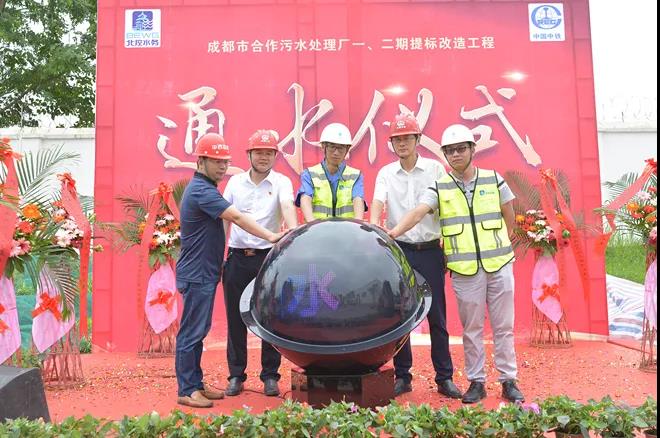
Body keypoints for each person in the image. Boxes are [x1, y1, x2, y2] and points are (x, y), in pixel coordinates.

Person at [388, 124, 525, 404]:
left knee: (503, 327)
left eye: (461, 148)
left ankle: (508, 381)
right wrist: (392, 233)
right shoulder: (440, 186)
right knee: (472, 330)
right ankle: (477, 382)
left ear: (473, 150)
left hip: (499, 265)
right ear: (445, 155)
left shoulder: (493, 179)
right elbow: (418, 213)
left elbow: (509, 214)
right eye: (450, 151)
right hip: (465, 271)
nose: (456, 154)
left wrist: (503, 245)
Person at [175, 133, 284, 408]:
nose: (222, 167)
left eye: (225, 161)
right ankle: (187, 389)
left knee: (199, 330)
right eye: (216, 161)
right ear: (200, 161)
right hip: (197, 272)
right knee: (191, 332)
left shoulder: (208, 188)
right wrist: (270, 236)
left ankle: (196, 383)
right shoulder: (201, 191)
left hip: (205, 271)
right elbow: (235, 217)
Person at [370, 114, 462, 399]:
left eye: (407, 138)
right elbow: (378, 202)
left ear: (418, 139)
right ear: (391, 143)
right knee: (401, 316)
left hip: (430, 251)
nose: (402, 144)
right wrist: (373, 227)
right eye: (397, 139)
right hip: (399, 251)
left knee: (437, 317)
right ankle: (403, 376)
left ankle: (444, 377)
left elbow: (431, 207)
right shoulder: (386, 173)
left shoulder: (435, 169)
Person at [222, 130, 298, 397]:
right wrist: (220, 254)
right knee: (235, 319)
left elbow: (287, 207)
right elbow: (225, 218)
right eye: (259, 152)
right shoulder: (235, 182)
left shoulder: (281, 182)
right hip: (237, 257)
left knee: (270, 317)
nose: (264, 157)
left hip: (268, 258)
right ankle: (236, 375)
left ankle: (270, 375)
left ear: (275, 156)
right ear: (249, 155)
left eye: (269, 153)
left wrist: (293, 232)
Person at [296, 123, 366, 221]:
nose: (336, 152)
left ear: (347, 149)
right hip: (318, 228)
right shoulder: (309, 174)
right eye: (332, 147)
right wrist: (311, 224)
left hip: (347, 228)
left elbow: (358, 200)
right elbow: (305, 199)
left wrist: (357, 223)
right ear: (323, 146)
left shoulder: (355, 175)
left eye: (341, 148)